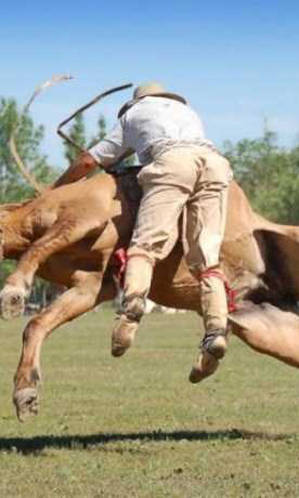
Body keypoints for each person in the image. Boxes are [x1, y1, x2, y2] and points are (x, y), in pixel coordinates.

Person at [54, 82, 233, 379]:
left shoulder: (133, 114)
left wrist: (55, 191)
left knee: (144, 248)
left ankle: (133, 307)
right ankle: (215, 330)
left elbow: (89, 161)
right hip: (215, 165)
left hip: (172, 163)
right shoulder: (187, 112)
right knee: (206, 261)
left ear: (136, 101)